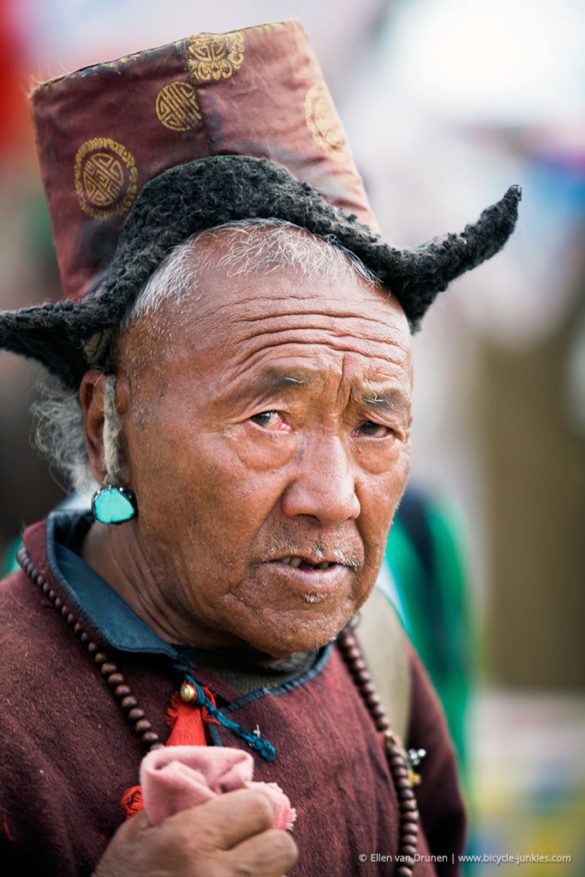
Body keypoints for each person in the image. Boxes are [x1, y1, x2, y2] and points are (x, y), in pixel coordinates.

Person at [0, 21, 520, 877]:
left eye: (374, 426)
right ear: (108, 428)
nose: (334, 497)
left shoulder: (375, 644)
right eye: (268, 419)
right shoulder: (17, 712)